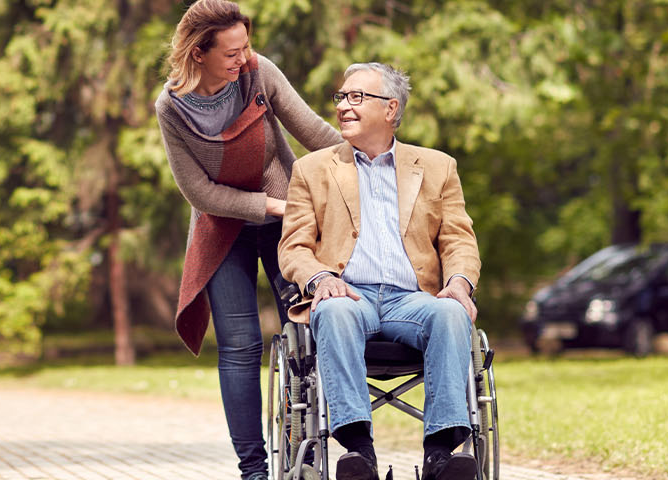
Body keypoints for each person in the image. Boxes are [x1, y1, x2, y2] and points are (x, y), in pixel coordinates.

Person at [156, 0, 343, 478]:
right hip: (222, 227)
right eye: (231, 52)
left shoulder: (259, 74)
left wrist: (377, 161)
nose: (243, 59)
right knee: (240, 347)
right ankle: (254, 469)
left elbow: (314, 133)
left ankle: (303, 446)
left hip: (286, 223)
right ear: (198, 53)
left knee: (305, 330)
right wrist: (275, 205)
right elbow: (199, 191)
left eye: (245, 47)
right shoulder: (171, 108)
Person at [277, 62, 482, 480]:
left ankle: (441, 455)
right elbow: (294, 247)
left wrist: (459, 283)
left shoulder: (438, 167)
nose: (343, 107)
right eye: (342, 98)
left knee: (451, 313)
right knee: (332, 311)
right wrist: (321, 279)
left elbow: (459, 240)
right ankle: (358, 454)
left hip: (414, 300)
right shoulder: (312, 170)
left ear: (390, 109)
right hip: (348, 295)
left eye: (357, 98)